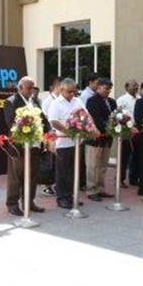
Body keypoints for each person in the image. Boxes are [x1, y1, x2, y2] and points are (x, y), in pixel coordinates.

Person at [4, 77, 46, 216]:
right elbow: (11, 123)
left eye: (33, 88)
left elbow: (43, 119)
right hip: (19, 145)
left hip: (34, 144)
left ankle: (29, 201)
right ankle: (12, 204)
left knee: (33, 174)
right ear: (20, 87)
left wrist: (48, 130)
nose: (32, 91)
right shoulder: (11, 101)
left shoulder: (36, 101)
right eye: (29, 88)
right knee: (16, 176)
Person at [48, 78, 86, 209]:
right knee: (62, 171)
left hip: (76, 142)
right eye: (69, 92)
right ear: (62, 89)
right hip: (63, 142)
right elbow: (53, 121)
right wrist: (68, 131)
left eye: (74, 92)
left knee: (73, 171)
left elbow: (85, 116)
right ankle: (62, 198)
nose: (72, 94)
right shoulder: (56, 103)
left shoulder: (78, 101)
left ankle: (70, 196)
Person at [85, 78, 116, 201]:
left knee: (103, 165)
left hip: (107, 138)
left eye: (109, 89)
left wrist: (115, 127)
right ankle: (91, 190)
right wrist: (107, 128)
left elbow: (115, 116)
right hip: (95, 138)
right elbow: (95, 118)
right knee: (93, 165)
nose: (108, 91)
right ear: (98, 87)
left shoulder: (112, 102)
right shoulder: (92, 101)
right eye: (105, 88)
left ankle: (101, 188)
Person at [40, 76, 62, 197]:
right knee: (50, 162)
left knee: (57, 162)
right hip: (51, 135)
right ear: (56, 87)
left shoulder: (60, 100)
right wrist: (48, 139)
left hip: (61, 135)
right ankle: (47, 186)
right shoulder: (48, 101)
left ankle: (55, 184)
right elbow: (46, 120)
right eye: (61, 87)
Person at [116, 80, 139, 187]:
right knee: (124, 156)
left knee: (136, 155)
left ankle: (134, 178)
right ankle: (120, 179)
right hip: (126, 130)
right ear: (126, 87)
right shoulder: (121, 100)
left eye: (136, 85)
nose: (136, 87)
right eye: (133, 85)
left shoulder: (139, 99)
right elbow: (118, 115)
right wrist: (129, 125)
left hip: (137, 130)